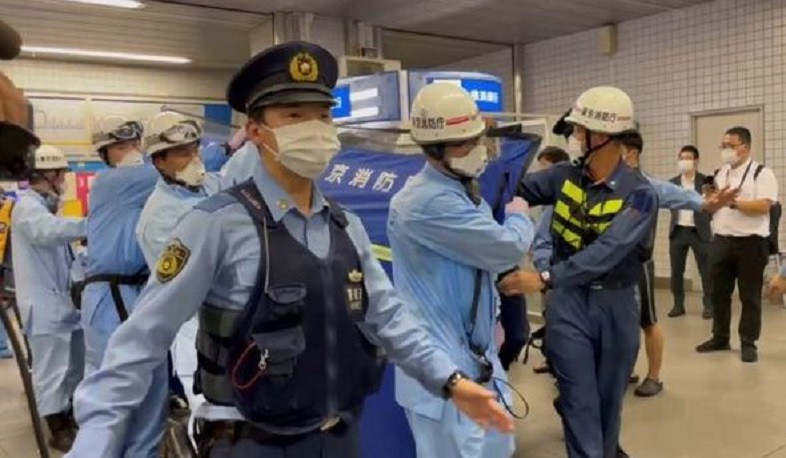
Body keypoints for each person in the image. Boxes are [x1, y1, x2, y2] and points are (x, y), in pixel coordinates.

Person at [67, 41, 513, 458]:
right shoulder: (215, 225)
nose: (314, 129)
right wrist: (93, 443)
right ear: (256, 131)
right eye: (294, 115)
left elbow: (390, 318)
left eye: (322, 115)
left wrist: (450, 381)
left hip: (339, 436)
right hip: (251, 442)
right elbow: (140, 341)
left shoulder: (345, 226)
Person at [498, 86, 657, 458]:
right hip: (568, 306)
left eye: (577, 132)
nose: (572, 139)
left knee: (606, 404)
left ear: (599, 137)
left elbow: (607, 252)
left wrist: (543, 279)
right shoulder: (562, 176)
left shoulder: (640, 194)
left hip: (616, 305)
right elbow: (509, 187)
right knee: (577, 401)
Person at [388, 83, 533, 458]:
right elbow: (505, 249)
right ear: (433, 149)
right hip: (443, 365)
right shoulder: (425, 201)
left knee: (498, 448)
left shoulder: (463, 192)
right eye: (462, 144)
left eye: (476, 139)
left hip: (477, 357)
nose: (474, 151)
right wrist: (519, 217)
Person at [617, 131, 734, 398]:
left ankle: (654, 376)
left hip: (638, 263)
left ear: (631, 154)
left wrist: (705, 202)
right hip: (610, 267)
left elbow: (677, 195)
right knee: (620, 322)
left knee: (648, 321)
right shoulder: (603, 183)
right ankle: (623, 370)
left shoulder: (645, 185)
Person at [78, 116, 160, 456]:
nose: (132, 152)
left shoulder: (135, 190)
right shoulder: (115, 182)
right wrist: (226, 147)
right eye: (122, 147)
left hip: (130, 295)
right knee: (117, 394)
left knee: (146, 387)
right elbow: (169, 168)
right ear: (106, 154)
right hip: (114, 299)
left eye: (135, 144)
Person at [136, 112, 220, 409]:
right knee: (209, 414)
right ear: (159, 161)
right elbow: (187, 283)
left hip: (233, 321)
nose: (195, 158)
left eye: (195, 149)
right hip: (195, 329)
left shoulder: (211, 185)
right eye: (183, 153)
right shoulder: (158, 218)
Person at [11, 145, 87, 452]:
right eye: (62, 174)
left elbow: (65, 252)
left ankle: (67, 413)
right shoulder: (28, 208)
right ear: (49, 175)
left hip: (62, 305)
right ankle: (56, 425)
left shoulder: (44, 207)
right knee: (51, 369)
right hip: (43, 307)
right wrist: (92, 224)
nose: (64, 180)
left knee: (71, 366)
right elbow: (50, 234)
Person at [697, 126, 778, 363]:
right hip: (721, 240)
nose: (726, 150)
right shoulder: (719, 173)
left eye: (731, 146)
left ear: (746, 147)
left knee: (749, 296)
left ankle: (748, 342)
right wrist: (711, 199)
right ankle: (720, 337)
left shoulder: (761, 173)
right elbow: (711, 206)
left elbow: (764, 206)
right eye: (723, 146)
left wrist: (732, 203)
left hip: (751, 243)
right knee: (718, 293)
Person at [530, 146, 571, 375]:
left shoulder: (560, 200)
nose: (540, 176)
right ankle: (552, 358)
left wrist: (545, 274)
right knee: (551, 318)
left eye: (544, 169)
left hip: (556, 273)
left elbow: (545, 240)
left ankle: (558, 362)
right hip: (552, 271)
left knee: (557, 321)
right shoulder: (549, 200)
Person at [668, 145, 713, 319]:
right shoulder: (672, 183)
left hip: (699, 231)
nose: (684, 161)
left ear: (696, 160)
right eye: (682, 158)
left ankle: (709, 305)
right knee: (676, 270)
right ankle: (678, 305)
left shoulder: (706, 181)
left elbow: (712, 205)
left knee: (706, 270)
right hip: (678, 230)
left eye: (688, 158)